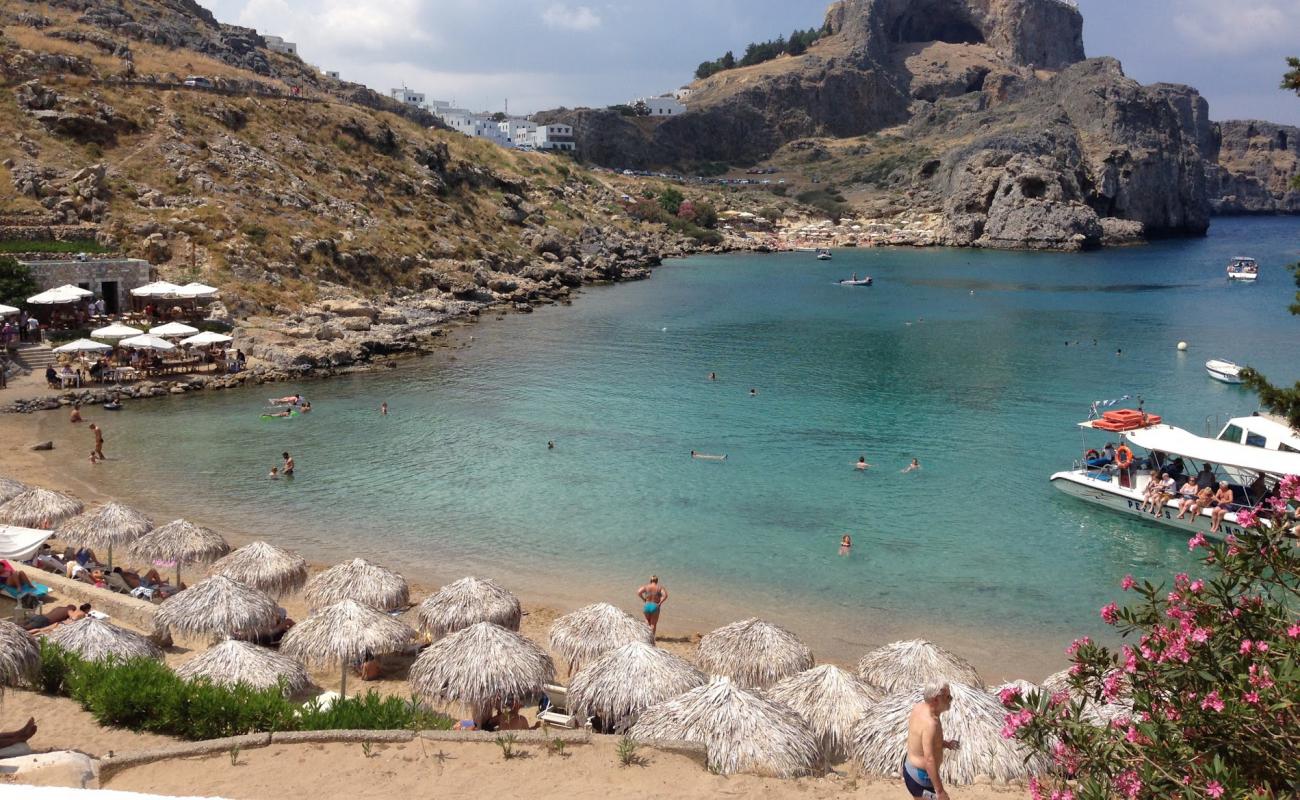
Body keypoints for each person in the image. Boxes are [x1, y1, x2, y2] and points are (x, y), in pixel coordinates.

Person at [904, 681, 958, 800]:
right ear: (935, 700)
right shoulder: (931, 724)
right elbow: (929, 759)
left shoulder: (918, 707)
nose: (951, 699)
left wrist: (945, 744)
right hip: (920, 778)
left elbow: (920, 738)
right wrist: (940, 791)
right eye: (948, 697)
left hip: (909, 768)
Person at [637, 575, 668, 641]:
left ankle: (646, 637)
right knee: (653, 624)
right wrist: (660, 603)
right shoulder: (660, 588)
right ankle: (652, 638)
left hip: (647, 605)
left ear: (650, 581)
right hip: (655, 606)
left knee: (647, 621)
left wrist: (643, 599)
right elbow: (665, 595)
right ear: (657, 581)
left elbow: (639, 592)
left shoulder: (646, 587)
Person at [22, 603, 90, 632]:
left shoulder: (59, 608)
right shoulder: (69, 610)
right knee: (25, 629)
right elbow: (73, 617)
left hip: (40, 616)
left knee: (23, 625)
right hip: (44, 621)